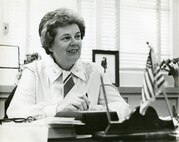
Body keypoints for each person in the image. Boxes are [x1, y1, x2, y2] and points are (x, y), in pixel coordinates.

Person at [7, 8, 131, 121]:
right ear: (50, 45)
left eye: (77, 36)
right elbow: (15, 112)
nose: (75, 43)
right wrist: (57, 109)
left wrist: (104, 112)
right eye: (66, 38)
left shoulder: (96, 71)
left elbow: (123, 108)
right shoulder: (34, 71)